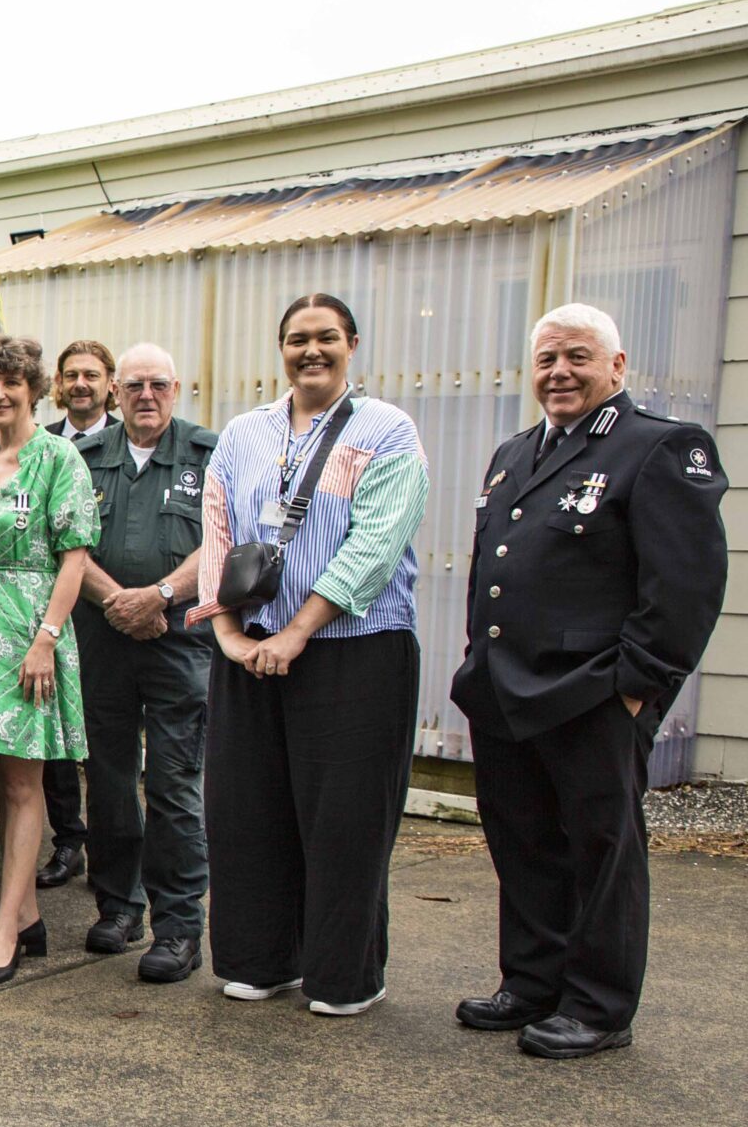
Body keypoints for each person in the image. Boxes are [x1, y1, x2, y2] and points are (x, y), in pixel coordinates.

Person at [450, 303, 729, 1058]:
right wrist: (480, 658)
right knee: (524, 842)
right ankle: (533, 982)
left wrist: (638, 685)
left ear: (617, 366)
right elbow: (495, 571)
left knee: (601, 851)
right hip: (505, 689)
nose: (559, 372)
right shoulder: (514, 452)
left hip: (593, 692)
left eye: (577, 356)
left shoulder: (660, 448)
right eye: (546, 359)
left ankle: (599, 1005)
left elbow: (685, 584)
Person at [190, 293, 428, 1018]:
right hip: (250, 652)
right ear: (281, 347)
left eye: (326, 337)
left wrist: (298, 631)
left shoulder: (387, 431)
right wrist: (229, 635)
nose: (311, 350)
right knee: (246, 813)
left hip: (354, 652)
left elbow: (375, 546)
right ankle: (260, 959)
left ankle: (343, 975)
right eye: (298, 339)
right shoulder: (244, 433)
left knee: (344, 822)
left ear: (352, 343)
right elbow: (219, 528)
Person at [0, 334, 98, 985]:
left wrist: (46, 639)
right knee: (1, 780)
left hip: (31, 626)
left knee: (26, 782)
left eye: (11, 382)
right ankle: (25, 913)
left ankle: (7, 927)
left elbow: (75, 555)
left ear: (35, 389)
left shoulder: (59, 459)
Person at [69, 343, 218, 983]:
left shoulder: (210, 457)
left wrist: (158, 597)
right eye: (133, 386)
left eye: (158, 384)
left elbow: (224, 543)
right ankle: (118, 905)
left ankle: (179, 927)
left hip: (179, 641)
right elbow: (64, 542)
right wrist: (118, 602)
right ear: (115, 394)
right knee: (106, 778)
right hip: (102, 638)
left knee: (172, 784)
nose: (146, 396)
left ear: (177, 388)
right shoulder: (80, 459)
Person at [35, 339, 119, 890]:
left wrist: (120, 598)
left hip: (115, 612)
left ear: (110, 382)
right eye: (71, 376)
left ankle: (115, 846)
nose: (81, 384)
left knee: (108, 739)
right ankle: (69, 840)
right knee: (55, 733)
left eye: (92, 374)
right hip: (56, 610)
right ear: (58, 386)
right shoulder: (41, 447)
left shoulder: (127, 440)